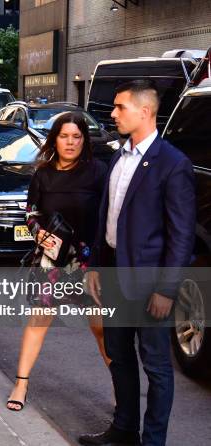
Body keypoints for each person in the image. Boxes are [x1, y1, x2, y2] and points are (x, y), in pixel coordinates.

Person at [79, 80, 195, 446]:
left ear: (145, 112)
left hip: (149, 283)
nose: (112, 114)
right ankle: (124, 430)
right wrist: (96, 264)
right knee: (119, 354)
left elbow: (181, 236)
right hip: (114, 272)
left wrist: (166, 289)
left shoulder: (173, 164)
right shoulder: (118, 155)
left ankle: (153, 440)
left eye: (119, 107)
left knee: (157, 367)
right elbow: (107, 215)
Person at [5, 112, 109, 412]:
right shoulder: (43, 174)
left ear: (84, 141)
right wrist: (43, 238)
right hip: (50, 258)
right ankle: (21, 383)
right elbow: (31, 212)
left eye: (77, 137)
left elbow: (105, 217)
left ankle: (120, 390)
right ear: (54, 139)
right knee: (39, 320)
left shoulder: (97, 172)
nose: (71, 142)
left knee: (102, 327)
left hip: (87, 260)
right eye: (64, 136)